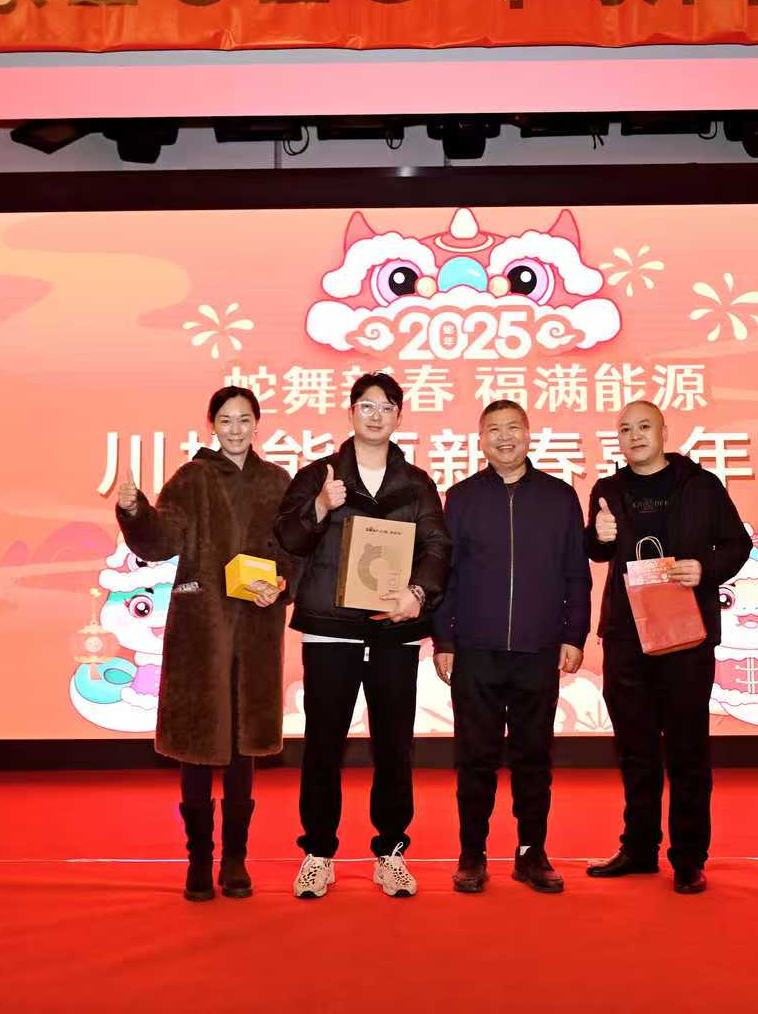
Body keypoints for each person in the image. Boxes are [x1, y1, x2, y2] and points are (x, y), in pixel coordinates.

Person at [274, 372, 451, 900]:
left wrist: (418, 594)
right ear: (351, 412)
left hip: (395, 628)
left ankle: (391, 852)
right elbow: (287, 537)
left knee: (394, 745)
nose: (377, 416)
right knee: (323, 745)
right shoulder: (318, 475)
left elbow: (437, 546)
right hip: (330, 630)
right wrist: (319, 506)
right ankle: (318, 854)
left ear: (400, 415)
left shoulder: (416, 482)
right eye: (367, 406)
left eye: (387, 407)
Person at [115, 386, 293, 902]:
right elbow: (162, 540)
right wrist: (135, 510)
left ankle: (235, 859)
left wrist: (283, 584)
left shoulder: (277, 481)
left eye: (244, 419)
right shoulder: (191, 478)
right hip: (202, 627)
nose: (235, 429)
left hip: (256, 628)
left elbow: (294, 548)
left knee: (242, 748)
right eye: (226, 420)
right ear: (212, 424)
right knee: (197, 745)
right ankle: (198, 860)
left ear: (257, 423)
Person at [584, 400, 753, 894]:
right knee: (635, 750)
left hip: (686, 633)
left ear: (663, 431)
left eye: (644, 426)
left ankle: (688, 858)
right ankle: (639, 848)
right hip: (626, 635)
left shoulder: (701, 486)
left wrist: (705, 568)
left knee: (687, 750)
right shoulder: (608, 489)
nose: (634, 435)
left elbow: (737, 544)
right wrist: (597, 535)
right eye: (625, 429)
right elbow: (594, 550)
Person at [434, 400, 592, 895]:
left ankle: (531, 853)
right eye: (494, 430)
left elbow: (576, 573)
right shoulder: (461, 498)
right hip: (475, 649)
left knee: (533, 757)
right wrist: (443, 638)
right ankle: (472, 853)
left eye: (513, 428)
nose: (505, 437)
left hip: (538, 648)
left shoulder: (559, 496)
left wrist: (574, 634)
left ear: (528, 434)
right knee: (474, 758)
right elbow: (444, 574)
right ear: (481, 440)